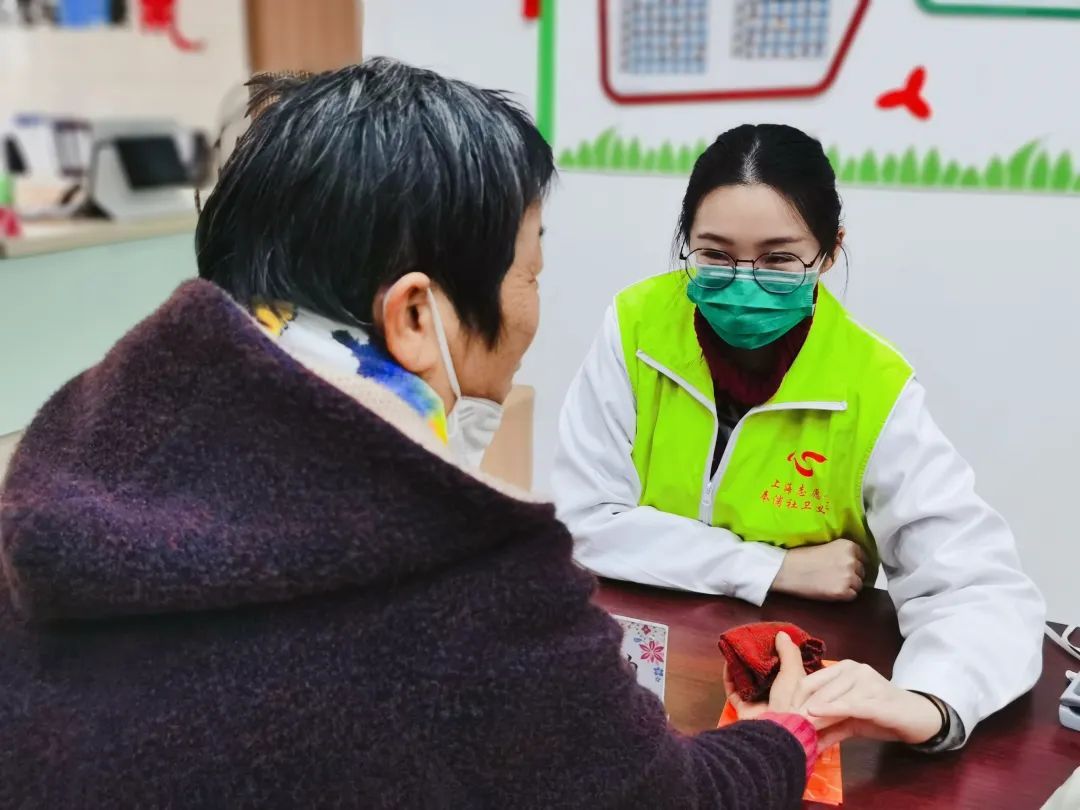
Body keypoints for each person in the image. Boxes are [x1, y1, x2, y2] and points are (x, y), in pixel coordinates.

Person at [0, 62, 832, 808]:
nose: (533, 309)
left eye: (778, 259)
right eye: (530, 273)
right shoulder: (480, 583)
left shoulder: (73, 461)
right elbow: (663, 796)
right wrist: (783, 736)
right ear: (412, 316)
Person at [553, 123, 1046, 752]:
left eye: (780, 260)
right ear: (686, 243)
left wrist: (931, 702)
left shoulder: (871, 386)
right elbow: (583, 522)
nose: (744, 283)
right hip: (632, 687)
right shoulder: (636, 330)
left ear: (830, 252)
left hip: (788, 709)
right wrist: (772, 567)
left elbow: (979, 589)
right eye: (715, 255)